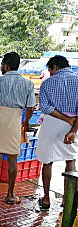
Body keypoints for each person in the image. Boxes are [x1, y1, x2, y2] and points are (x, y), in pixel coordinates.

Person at [0, 52, 36, 204]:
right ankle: (10, 195)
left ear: (6, 66)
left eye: (2, 65)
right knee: (13, 158)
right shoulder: (28, 84)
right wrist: (26, 122)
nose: (1, 68)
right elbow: (31, 107)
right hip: (15, 120)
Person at [36, 55, 78, 210]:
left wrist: (65, 119)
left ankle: (46, 199)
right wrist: (72, 127)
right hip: (74, 124)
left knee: (47, 161)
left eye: (50, 69)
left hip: (52, 123)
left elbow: (45, 107)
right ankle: (67, 200)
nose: (50, 72)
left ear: (54, 67)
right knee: (70, 161)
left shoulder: (47, 83)